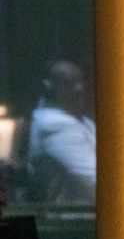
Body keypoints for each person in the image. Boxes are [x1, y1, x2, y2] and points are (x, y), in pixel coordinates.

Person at [27, 60, 96, 203]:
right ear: (48, 89)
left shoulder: (81, 121)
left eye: (80, 81)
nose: (79, 88)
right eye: (68, 82)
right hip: (72, 220)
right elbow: (94, 183)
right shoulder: (52, 124)